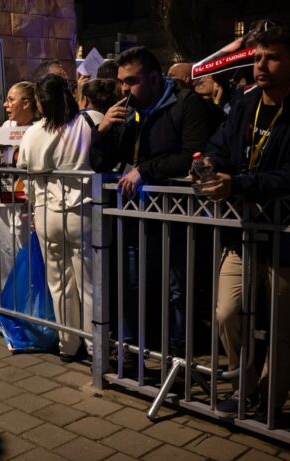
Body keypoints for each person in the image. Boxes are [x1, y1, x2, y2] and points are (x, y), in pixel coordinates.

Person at [197, 26, 290, 423]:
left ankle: (270, 401)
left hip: (287, 235)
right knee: (227, 313)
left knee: (281, 324)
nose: (261, 65)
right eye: (258, 57)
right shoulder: (246, 103)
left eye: (272, 57)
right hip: (242, 230)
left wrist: (240, 184)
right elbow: (218, 145)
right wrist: (210, 164)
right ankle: (242, 388)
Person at [90, 46, 211, 364]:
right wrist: (102, 131)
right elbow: (101, 163)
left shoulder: (185, 104)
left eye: (131, 81)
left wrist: (145, 170)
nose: (124, 89)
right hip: (135, 215)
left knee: (177, 290)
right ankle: (131, 354)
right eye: (121, 82)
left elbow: (192, 154)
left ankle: (177, 360)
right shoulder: (126, 111)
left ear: (155, 79)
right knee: (131, 285)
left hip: (176, 217)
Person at [16, 74, 108, 362]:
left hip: (46, 213)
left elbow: (23, 167)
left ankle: (67, 344)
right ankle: (95, 348)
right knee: (90, 284)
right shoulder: (89, 120)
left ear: (39, 103)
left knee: (58, 283)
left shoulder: (33, 133)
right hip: (82, 210)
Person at [0, 81, 38, 290]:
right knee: (3, 260)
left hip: (27, 206)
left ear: (26, 103)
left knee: (27, 262)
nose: (5, 105)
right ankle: (7, 306)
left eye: (11, 100)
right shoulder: (6, 128)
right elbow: (1, 164)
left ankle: (29, 307)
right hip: (4, 201)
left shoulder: (40, 129)